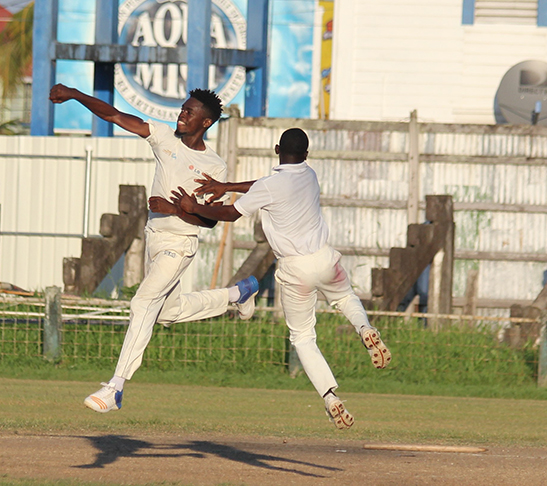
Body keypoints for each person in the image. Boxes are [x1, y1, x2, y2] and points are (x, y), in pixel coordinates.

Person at [49, 84, 260, 413]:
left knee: (143, 302)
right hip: (155, 237)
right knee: (167, 313)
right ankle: (237, 294)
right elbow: (115, 115)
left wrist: (174, 208)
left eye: (190, 112)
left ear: (205, 122)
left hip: (180, 244)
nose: (182, 114)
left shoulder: (215, 167)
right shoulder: (163, 137)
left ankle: (115, 387)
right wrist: (76, 94)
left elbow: (210, 222)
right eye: (183, 108)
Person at [170, 127, 391, 429]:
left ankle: (330, 398)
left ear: (277, 150)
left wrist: (193, 207)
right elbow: (266, 186)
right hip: (325, 259)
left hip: (296, 270)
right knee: (345, 297)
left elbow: (236, 212)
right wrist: (228, 185)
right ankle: (364, 327)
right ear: (306, 154)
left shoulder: (272, 185)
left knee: (303, 338)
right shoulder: (310, 175)